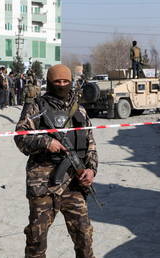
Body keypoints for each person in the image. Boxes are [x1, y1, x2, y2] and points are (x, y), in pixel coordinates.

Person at [14, 64, 98, 258]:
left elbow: (90, 144)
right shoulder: (36, 107)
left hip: (74, 184)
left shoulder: (80, 111)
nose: (62, 85)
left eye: (65, 81)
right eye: (57, 82)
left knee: (84, 236)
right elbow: (20, 137)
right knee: (37, 239)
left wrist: (91, 170)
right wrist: (45, 142)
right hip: (43, 184)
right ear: (50, 83)